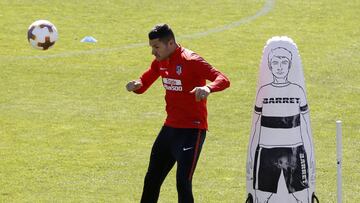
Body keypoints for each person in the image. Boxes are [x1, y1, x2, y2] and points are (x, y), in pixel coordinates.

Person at [126, 23, 230, 203]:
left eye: (156, 47)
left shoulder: (191, 60)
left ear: (171, 43)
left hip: (192, 131)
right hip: (170, 129)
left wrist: (208, 87)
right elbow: (145, 80)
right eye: (151, 47)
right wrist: (136, 85)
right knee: (152, 179)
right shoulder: (160, 62)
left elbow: (223, 79)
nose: (153, 52)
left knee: (183, 182)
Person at [249, 47, 314, 203]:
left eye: (284, 62)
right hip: (266, 150)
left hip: (294, 149)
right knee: (263, 196)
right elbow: (257, 123)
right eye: (275, 62)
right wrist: (252, 154)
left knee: (300, 195)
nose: (279, 67)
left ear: (290, 65)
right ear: (270, 66)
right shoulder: (263, 91)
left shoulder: (297, 90)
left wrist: (309, 150)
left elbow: (304, 123)